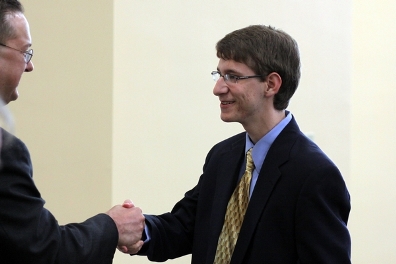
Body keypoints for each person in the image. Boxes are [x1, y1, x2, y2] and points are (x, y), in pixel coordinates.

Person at [128, 25, 351, 263]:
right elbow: (185, 228)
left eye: (233, 77)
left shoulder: (314, 175)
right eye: (219, 75)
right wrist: (137, 230)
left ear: (271, 84)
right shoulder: (222, 156)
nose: (218, 88)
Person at [0, 0, 145, 263]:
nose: (29, 66)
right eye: (25, 52)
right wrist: (113, 227)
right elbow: (45, 251)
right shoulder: (5, 152)